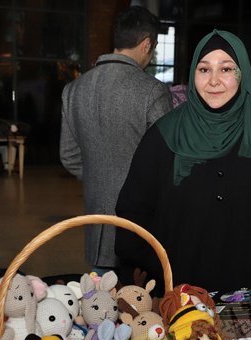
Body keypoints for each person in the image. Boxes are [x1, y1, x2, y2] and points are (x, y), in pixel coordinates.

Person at [115, 29, 251, 297]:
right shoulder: (164, 136)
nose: (214, 81)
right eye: (204, 70)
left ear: (242, 74)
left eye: (226, 69)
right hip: (178, 297)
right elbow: (134, 212)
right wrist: (146, 278)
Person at [60, 6, 172, 274]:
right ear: (147, 44)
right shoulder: (153, 91)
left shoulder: (73, 89)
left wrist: (100, 178)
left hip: (96, 224)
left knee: (100, 296)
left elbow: (69, 156)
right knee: (142, 298)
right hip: (141, 226)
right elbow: (167, 160)